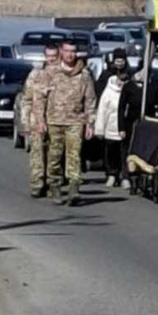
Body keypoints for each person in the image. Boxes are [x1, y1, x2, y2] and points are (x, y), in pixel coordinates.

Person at [34, 40, 97, 206]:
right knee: (54, 156)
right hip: (54, 120)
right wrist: (40, 120)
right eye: (67, 51)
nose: (70, 55)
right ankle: (54, 186)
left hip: (75, 121)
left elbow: (90, 100)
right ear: (61, 52)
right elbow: (40, 98)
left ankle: (74, 188)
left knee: (74, 155)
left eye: (73, 51)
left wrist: (90, 123)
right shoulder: (50, 72)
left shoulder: (84, 75)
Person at [24, 43, 59, 198]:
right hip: (36, 120)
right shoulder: (36, 75)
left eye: (54, 56)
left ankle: (53, 183)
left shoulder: (62, 75)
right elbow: (27, 99)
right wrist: (26, 121)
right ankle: (37, 183)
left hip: (55, 119)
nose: (51, 59)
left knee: (54, 154)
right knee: (37, 152)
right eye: (49, 56)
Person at [94, 66, 130, 189]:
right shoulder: (108, 92)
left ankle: (125, 177)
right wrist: (99, 129)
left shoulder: (130, 90)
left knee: (124, 154)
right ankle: (112, 174)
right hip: (110, 128)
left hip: (124, 129)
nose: (121, 82)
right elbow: (102, 111)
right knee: (111, 154)